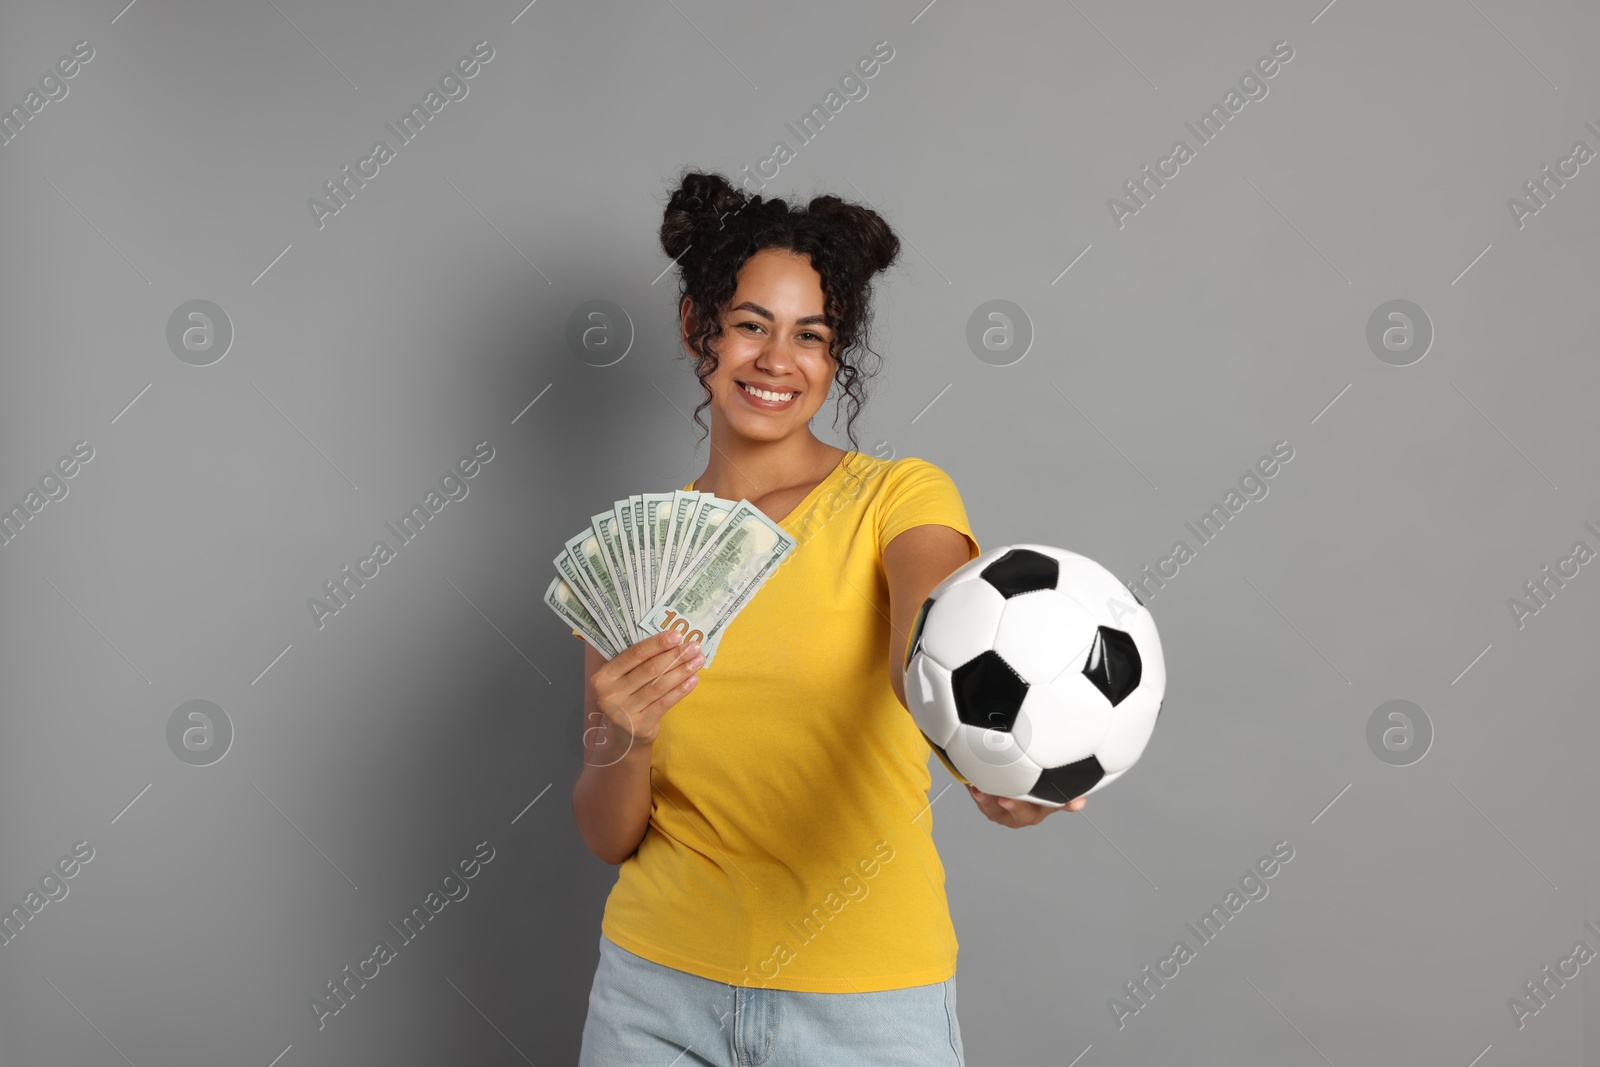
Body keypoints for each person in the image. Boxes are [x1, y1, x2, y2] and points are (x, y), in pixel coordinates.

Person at [570, 170, 1088, 1067]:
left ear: (835, 355)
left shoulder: (899, 497)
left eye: (810, 335)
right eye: (749, 326)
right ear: (700, 329)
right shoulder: (636, 554)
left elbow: (929, 643)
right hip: (654, 991)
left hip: (864, 1005)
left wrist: (988, 754)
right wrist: (623, 736)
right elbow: (608, 832)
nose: (778, 360)